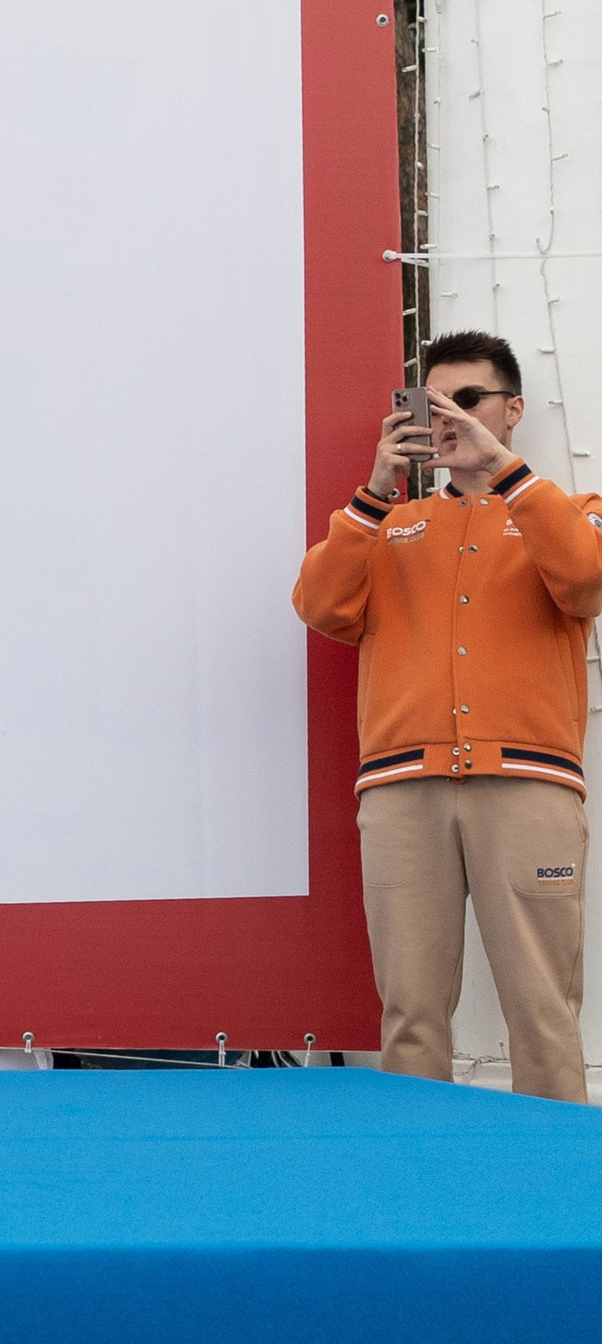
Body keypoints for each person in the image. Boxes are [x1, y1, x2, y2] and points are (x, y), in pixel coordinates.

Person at [295, 330, 602, 1101]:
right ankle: (416, 1191)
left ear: (514, 409)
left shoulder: (570, 512)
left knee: (544, 1013)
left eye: (468, 401)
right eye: (434, 406)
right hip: (403, 793)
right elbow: (321, 607)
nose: (451, 419)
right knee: (410, 1016)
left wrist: (503, 472)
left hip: (528, 785)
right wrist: (374, 489)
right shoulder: (386, 527)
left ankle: (556, 1193)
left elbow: (588, 580)